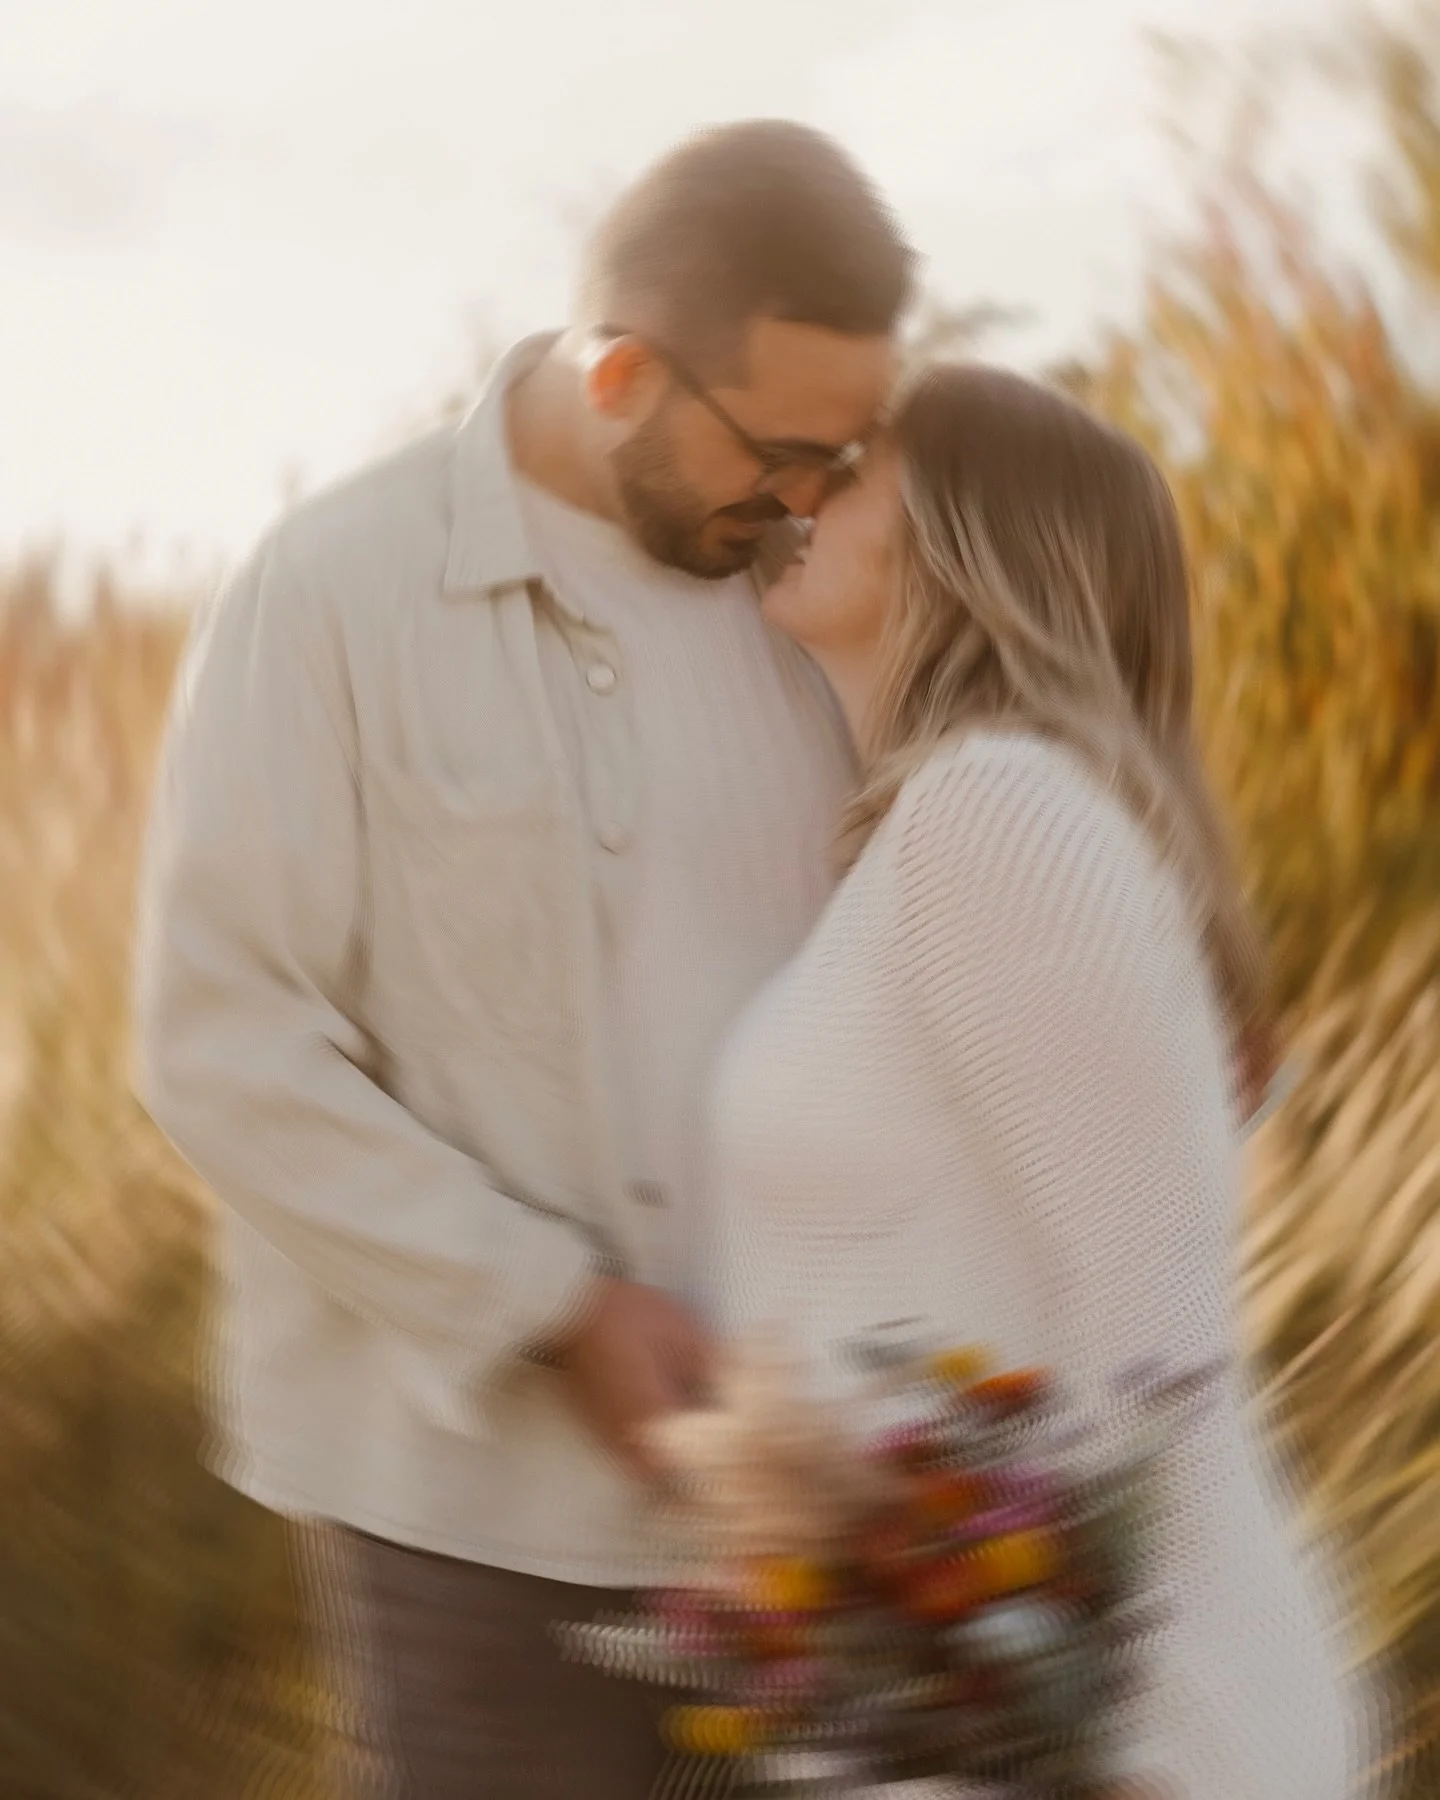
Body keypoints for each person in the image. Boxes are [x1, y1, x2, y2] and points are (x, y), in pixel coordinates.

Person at [132, 120, 913, 1798]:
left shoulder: (830, 611)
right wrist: (552, 1304)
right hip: (467, 1527)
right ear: (621, 374)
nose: (810, 499)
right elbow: (223, 1046)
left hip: (814, 1506)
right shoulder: (328, 593)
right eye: (782, 452)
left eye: (844, 455)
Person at [707, 364, 1379, 1799]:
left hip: (1101, 1736)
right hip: (968, 1710)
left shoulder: (997, 813)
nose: (808, 492)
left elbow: (1157, 1353)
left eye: (857, 469)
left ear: (966, 533)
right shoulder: (929, 835)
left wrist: (1104, 1752)